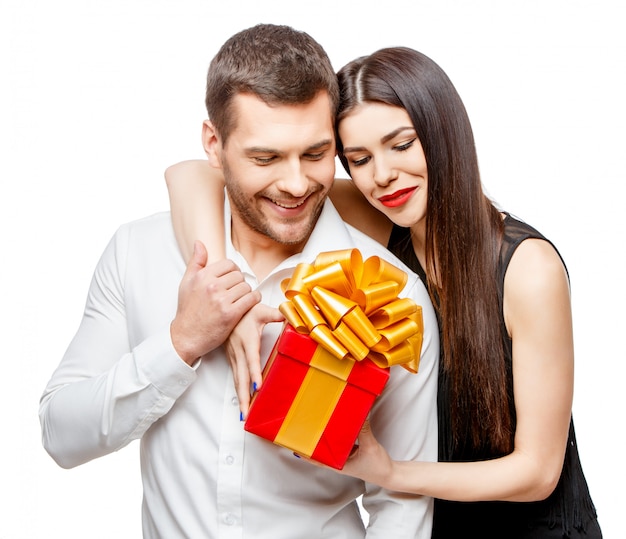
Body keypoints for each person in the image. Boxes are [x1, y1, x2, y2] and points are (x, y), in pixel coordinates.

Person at [164, 46, 602, 538]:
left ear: (443, 132)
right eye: (359, 159)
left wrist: (389, 472)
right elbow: (193, 173)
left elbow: (537, 474)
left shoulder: (527, 268)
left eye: (402, 144)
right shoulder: (384, 221)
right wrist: (232, 298)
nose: (383, 175)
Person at [39, 25, 440, 538]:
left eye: (316, 154)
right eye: (265, 157)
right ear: (213, 144)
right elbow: (61, 435)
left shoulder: (394, 296)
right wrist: (181, 342)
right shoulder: (138, 252)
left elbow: (402, 500)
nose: (296, 184)